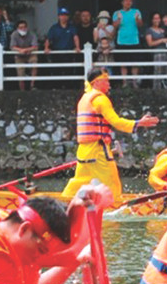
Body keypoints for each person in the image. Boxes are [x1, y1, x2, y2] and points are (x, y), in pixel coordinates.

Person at [60, 68, 160, 200]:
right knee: (112, 183)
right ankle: (115, 205)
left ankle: (63, 201)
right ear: (96, 82)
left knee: (80, 180)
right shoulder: (101, 99)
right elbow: (116, 122)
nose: (109, 84)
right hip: (98, 150)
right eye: (106, 81)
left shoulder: (85, 98)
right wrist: (139, 123)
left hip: (84, 150)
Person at [112, 0, 143, 86]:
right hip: (122, 41)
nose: (128, 2)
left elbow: (140, 25)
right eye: (126, 0)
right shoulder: (117, 13)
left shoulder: (136, 12)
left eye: (130, 1)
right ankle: (124, 82)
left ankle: (134, 82)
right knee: (123, 63)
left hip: (134, 41)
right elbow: (114, 26)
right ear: (122, 2)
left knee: (135, 63)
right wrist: (119, 19)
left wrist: (137, 18)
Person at [11, 19, 40, 91]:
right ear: (17, 28)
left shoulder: (32, 34)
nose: (23, 29)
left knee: (34, 62)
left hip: (30, 53)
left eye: (24, 27)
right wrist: (20, 50)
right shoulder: (14, 34)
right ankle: (22, 90)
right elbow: (12, 47)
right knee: (20, 72)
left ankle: (32, 85)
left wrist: (26, 50)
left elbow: (35, 46)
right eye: (21, 27)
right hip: (19, 55)